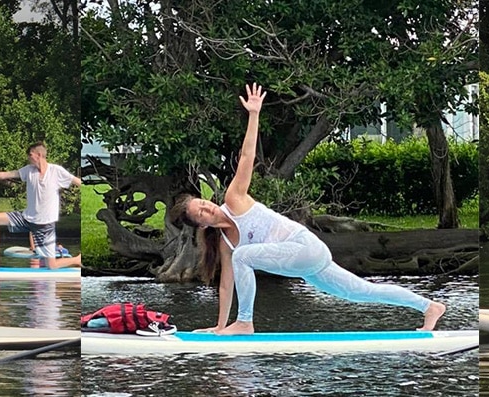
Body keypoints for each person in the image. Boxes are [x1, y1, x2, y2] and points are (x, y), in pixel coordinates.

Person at [176, 83, 447, 335]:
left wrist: (254, 114)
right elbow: (227, 286)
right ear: (202, 224)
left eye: (204, 203)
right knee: (359, 291)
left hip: (305, 247)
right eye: (201, 213)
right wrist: (219, 328)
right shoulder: (224, 243)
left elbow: (247, 157)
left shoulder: (234, 199)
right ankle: (430, 307)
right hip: (306, 265)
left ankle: (245, 322)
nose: (208, 208)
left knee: (244, 256)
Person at [0, 142, 80, 270]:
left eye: (30, 154)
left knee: (52, 266)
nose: (28, 157)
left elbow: (77, 181)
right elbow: (4, 175)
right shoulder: (28, 170)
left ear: (38, 155)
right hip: (26, 218)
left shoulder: (56, 171)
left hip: (45, 225)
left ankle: (77, 259)